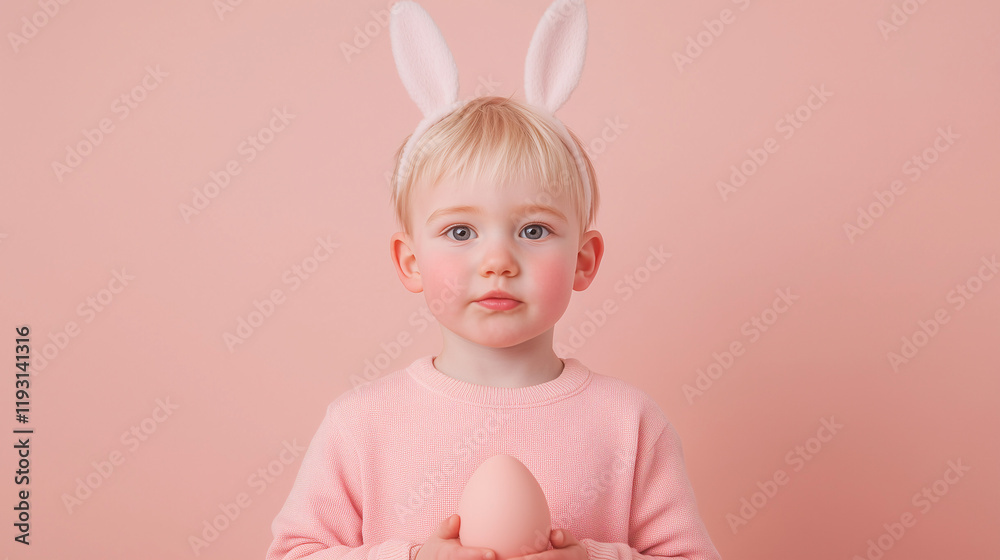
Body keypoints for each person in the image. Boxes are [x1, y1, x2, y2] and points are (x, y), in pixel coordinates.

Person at [266, 2, 721, 560]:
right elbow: (294, 553)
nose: (498, 260)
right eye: (460, 232)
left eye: (533, 229)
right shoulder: (363, 424)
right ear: (410, 263)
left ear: (584, 260)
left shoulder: (628, 422)